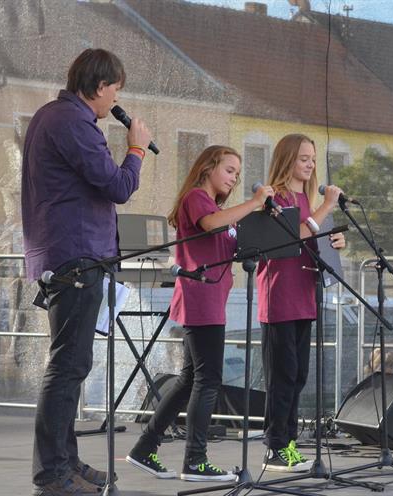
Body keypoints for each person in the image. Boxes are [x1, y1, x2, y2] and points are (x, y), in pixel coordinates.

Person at [21, 48, 152, 496]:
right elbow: (118, 186)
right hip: (76, 256)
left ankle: (67, 463)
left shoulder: (53, 117)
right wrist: (135, 149)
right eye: (116, 88)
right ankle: (51, 475)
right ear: (100, 88)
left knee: (71, 366)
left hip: (70, 255)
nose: (117, 96)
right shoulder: (73, 122)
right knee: (67, 366)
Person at [126, 145, 274, 482]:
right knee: (208, 381)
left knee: (189, 379)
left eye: (237, 173)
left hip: (211, 298)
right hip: (201, 297)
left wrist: (266, 223)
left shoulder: (221, 210)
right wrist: (253, 203)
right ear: (208, 167)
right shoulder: (197, 199)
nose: (235, 178)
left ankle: (144, 448)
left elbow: (233, 243)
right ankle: (195, 460)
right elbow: (210, 225)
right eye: (229, 170)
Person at [257, 134, 345, 472]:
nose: (310, 165)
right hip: (279, 297)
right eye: (303, 158)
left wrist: (333, 240)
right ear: (287, 160)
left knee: (298, 375)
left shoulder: (307, 199)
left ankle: (289, 442)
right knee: (282, 374)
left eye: (312, 159)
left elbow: (312, 237)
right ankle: (275, 445)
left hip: (305, 295)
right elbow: (295, 234)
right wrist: (326, 209)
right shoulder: (275, 197)